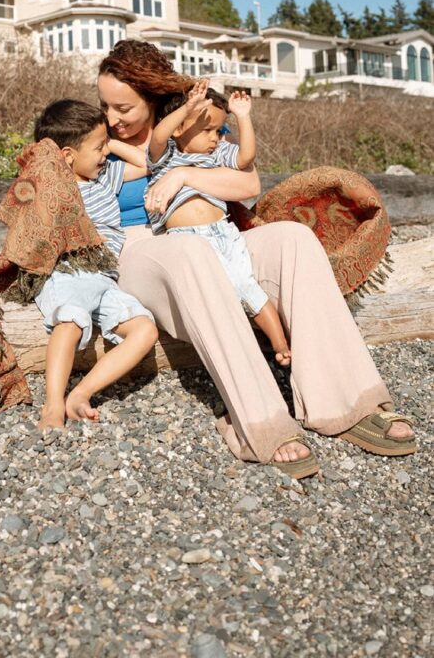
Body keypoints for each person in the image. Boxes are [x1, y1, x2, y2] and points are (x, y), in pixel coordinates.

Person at [98, 40, 416, 478]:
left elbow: (248, 183)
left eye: (123, 108)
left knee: (293, 239)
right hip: (140, 250)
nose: (111, 119)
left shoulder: (197, 122)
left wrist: (184, 174)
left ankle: (344, 400)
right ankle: (259, 420)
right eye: (105, 106)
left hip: (210, 236)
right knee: (190, 253)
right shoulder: (98, 138)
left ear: (153, 99)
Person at [32, 98, 158, 430]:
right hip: (69, 273)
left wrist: (107, 140)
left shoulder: (104, 177)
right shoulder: (54, 189)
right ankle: (52, 404)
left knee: (144, 330)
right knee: (70, 322)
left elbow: (146, 164)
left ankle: (82, 393)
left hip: (105, 278)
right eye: (99, 148)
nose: (106, 154)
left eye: (106, 146)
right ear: (68, 156)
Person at [145, 79, 291, 366]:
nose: (215, 138)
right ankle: (247, 353)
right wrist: (188, 107)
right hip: (186, 239)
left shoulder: (216, 155)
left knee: (246, 287)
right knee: (219, 297)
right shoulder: (166, 157)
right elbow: (159, 136)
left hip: (223, 233)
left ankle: (280, 344)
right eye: (207, 130)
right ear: (180, 128)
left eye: (219, 130)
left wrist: (243, 116)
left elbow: (246, 156)